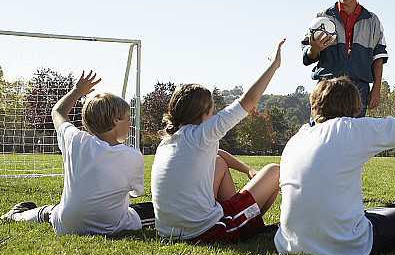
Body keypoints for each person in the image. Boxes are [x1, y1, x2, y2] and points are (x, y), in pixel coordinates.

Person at [275, 50, 395, 255]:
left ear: (313, 109)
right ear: (356, 111)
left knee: (375, 212)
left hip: (290, 243)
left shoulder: (295, 140)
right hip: (349, 244)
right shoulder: (351, 129)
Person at [151, 40, 285, 242]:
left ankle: (239, 217)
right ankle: (250, 228)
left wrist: (247, 170)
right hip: (205, 232)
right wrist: (274, 65)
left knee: (219, 163)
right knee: (275, 171)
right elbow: (248, 101)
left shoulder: (169, 142)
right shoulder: (203, 134)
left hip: (168, 231)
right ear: (204, 116)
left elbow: (219, 154)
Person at [2, 71, 154, 235]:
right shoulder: (133, 156)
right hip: (109, 226)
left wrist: (77, 90)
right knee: (154, 209)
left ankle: (16, 216)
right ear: (115, 121)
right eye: (127, 118)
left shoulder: (76, 141)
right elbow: (134, 194)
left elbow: (58, 112)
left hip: (66, 225)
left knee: (56, 211)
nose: (129, 123)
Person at [301, 0, 388, 117]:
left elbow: (378, 58)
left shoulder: (372, 21)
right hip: (327, 86)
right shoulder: (322, 17)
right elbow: (307, 54)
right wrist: (314, 49)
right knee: (321, 134)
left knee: (352, 137)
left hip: (358, 89)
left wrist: (376, 89)